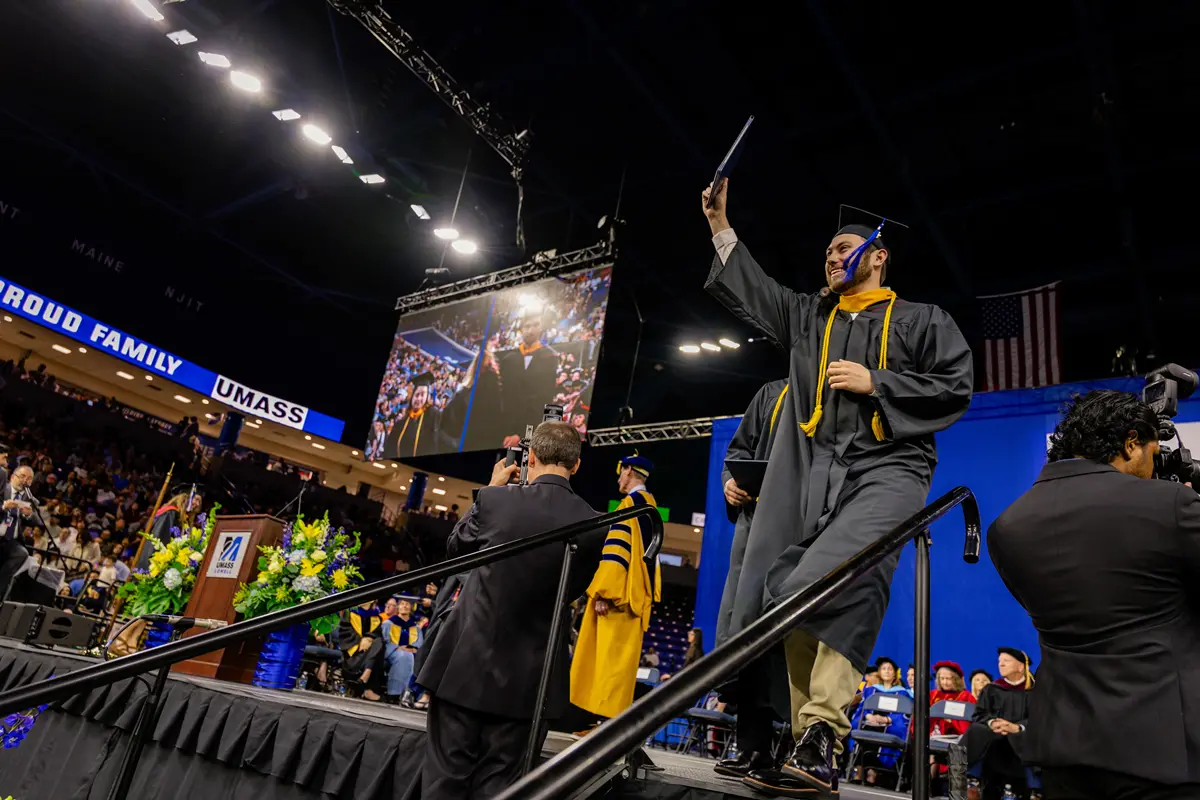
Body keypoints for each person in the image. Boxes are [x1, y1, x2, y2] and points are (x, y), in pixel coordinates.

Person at [700, 180, 974, 798]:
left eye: (845, 246)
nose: (832, 255)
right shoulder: (810, 317)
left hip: (890, 465)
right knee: (790, 589)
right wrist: (720, 222)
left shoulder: (921, 319)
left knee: (841, 575)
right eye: (827, 249)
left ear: (878, 255)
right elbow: (757, 289)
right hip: (812, 471)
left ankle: (824, 729)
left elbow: (954, 386)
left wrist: (877, 381)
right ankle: (809, 741)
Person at [988, 389, 1200, 798]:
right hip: (1166, 750)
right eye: (1153, 455)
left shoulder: (1007, 528)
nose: (1153, 470)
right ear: (1131, 443)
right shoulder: (1172, 504)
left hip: (1063, 748)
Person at [407, 421, 605, 800]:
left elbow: (455, 553)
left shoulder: (496, 500)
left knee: (443, 779)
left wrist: (494, 487)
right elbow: (572, 589)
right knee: (502, 788)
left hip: (464, 664)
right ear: (576, 465)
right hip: (530, 678)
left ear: (530, 456)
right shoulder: (595, 525)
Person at [714, 380, 793, 780]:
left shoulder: (838, 389)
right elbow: (739, 451)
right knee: (747, 633)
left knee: (791, 640)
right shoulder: (772, 393)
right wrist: (731, 483)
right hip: (754, 528)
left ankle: (794, 754)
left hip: (802, 530)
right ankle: (752, 748)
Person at [570, 453, 662, 725]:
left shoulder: (630, 504)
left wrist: (603, 593)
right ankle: (604, 725)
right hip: (635, 598)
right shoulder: (651, 505)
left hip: (618, 599)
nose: (618, 477)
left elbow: (617, 552)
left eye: (621, 472)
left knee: (606, 665)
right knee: (619, 666)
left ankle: (600, 725)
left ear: (630, 470)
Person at [963, 648, 1037, 799]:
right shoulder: (992, 689)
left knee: (1030, 738)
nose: (1001, 664)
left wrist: (1017, 727)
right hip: (994, 735)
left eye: (1006, 661)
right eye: (999, 661)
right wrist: (992, 722)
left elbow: (1041, 717)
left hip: (1022, 736)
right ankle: (972, 781)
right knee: (977, 730)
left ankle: (1035, 790)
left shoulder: (1035, 690)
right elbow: (979, 714)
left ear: (1021, 666)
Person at [0, 465, 35, 600]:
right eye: (22, 477)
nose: (25, 481)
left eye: (29, 479)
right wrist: (4, 506)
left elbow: (37, 519)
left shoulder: (28, 497)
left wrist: (28, 515)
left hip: (11, 540)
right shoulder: (3, 489)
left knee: (22, 554)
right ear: (13, 477)